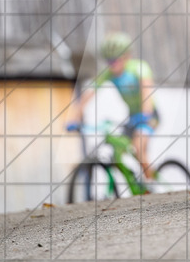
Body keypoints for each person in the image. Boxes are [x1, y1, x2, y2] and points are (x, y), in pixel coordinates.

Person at [66, 32, 159, 178]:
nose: (112, 65)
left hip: (149, 114)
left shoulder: (138, 68)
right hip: (133, 115)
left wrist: (146, 112)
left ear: (126, 57)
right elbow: (88, 94)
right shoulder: (108, 74)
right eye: (109, 61)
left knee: (138, 149)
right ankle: (136, 183)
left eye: (116, 60)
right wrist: (74, 117)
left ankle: (152, 183)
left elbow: (146, 91)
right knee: (117, 152)